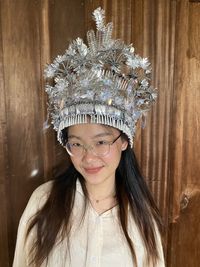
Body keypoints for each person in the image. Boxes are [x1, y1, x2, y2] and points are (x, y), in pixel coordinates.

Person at [13, 7, 165, 267]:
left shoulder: (142, 218)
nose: (88, 156)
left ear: (124, 140)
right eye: (76, 144)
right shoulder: (43, 202)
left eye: (101, 142)